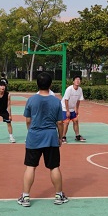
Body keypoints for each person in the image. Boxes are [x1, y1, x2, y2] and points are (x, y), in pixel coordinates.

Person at [17, 72, 68, 207]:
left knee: (30, 167)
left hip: (34, 137)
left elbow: (28, 120)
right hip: (51, 137)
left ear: (37, 84)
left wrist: (31, 132)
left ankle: (25, 197)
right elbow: (60, 122)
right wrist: (60, 137)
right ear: (50, 85)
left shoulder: (31, 100)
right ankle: (59, 195)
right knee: (54, 167)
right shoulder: (56, 101)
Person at [60, 76, 86, 143]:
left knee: (76, 120)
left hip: (72, 108)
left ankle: (77, 136)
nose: (78, 81)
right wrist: (67, 111)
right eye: (76, 79)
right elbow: (66, 100)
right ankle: (63, 137)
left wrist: (77, 109)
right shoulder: (69, 89)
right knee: (66, 122)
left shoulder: (80, 89)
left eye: (79, 80)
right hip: (64, 108)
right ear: (73, 81)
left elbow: (78, 100)